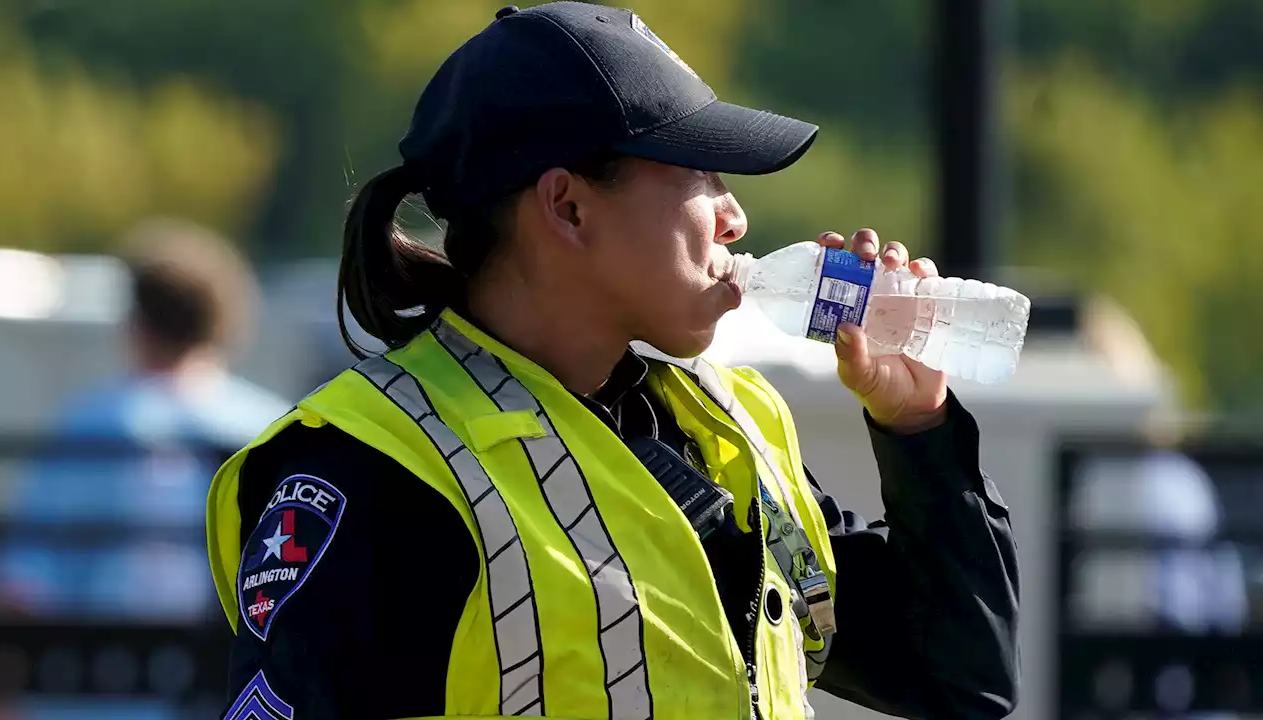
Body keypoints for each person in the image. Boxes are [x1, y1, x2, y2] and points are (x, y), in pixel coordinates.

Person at [206, 4, 1020, 719]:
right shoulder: (376, 474)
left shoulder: (724, 427)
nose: (735, 217)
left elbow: (963, 682)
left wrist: (916, 426)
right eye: (701, 173)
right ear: (566, 205)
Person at [0, 218, 289, 621]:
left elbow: (24, 586)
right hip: (228, 672)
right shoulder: (269, 427)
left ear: (138, 321)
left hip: (93, 666)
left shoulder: (91, 422)